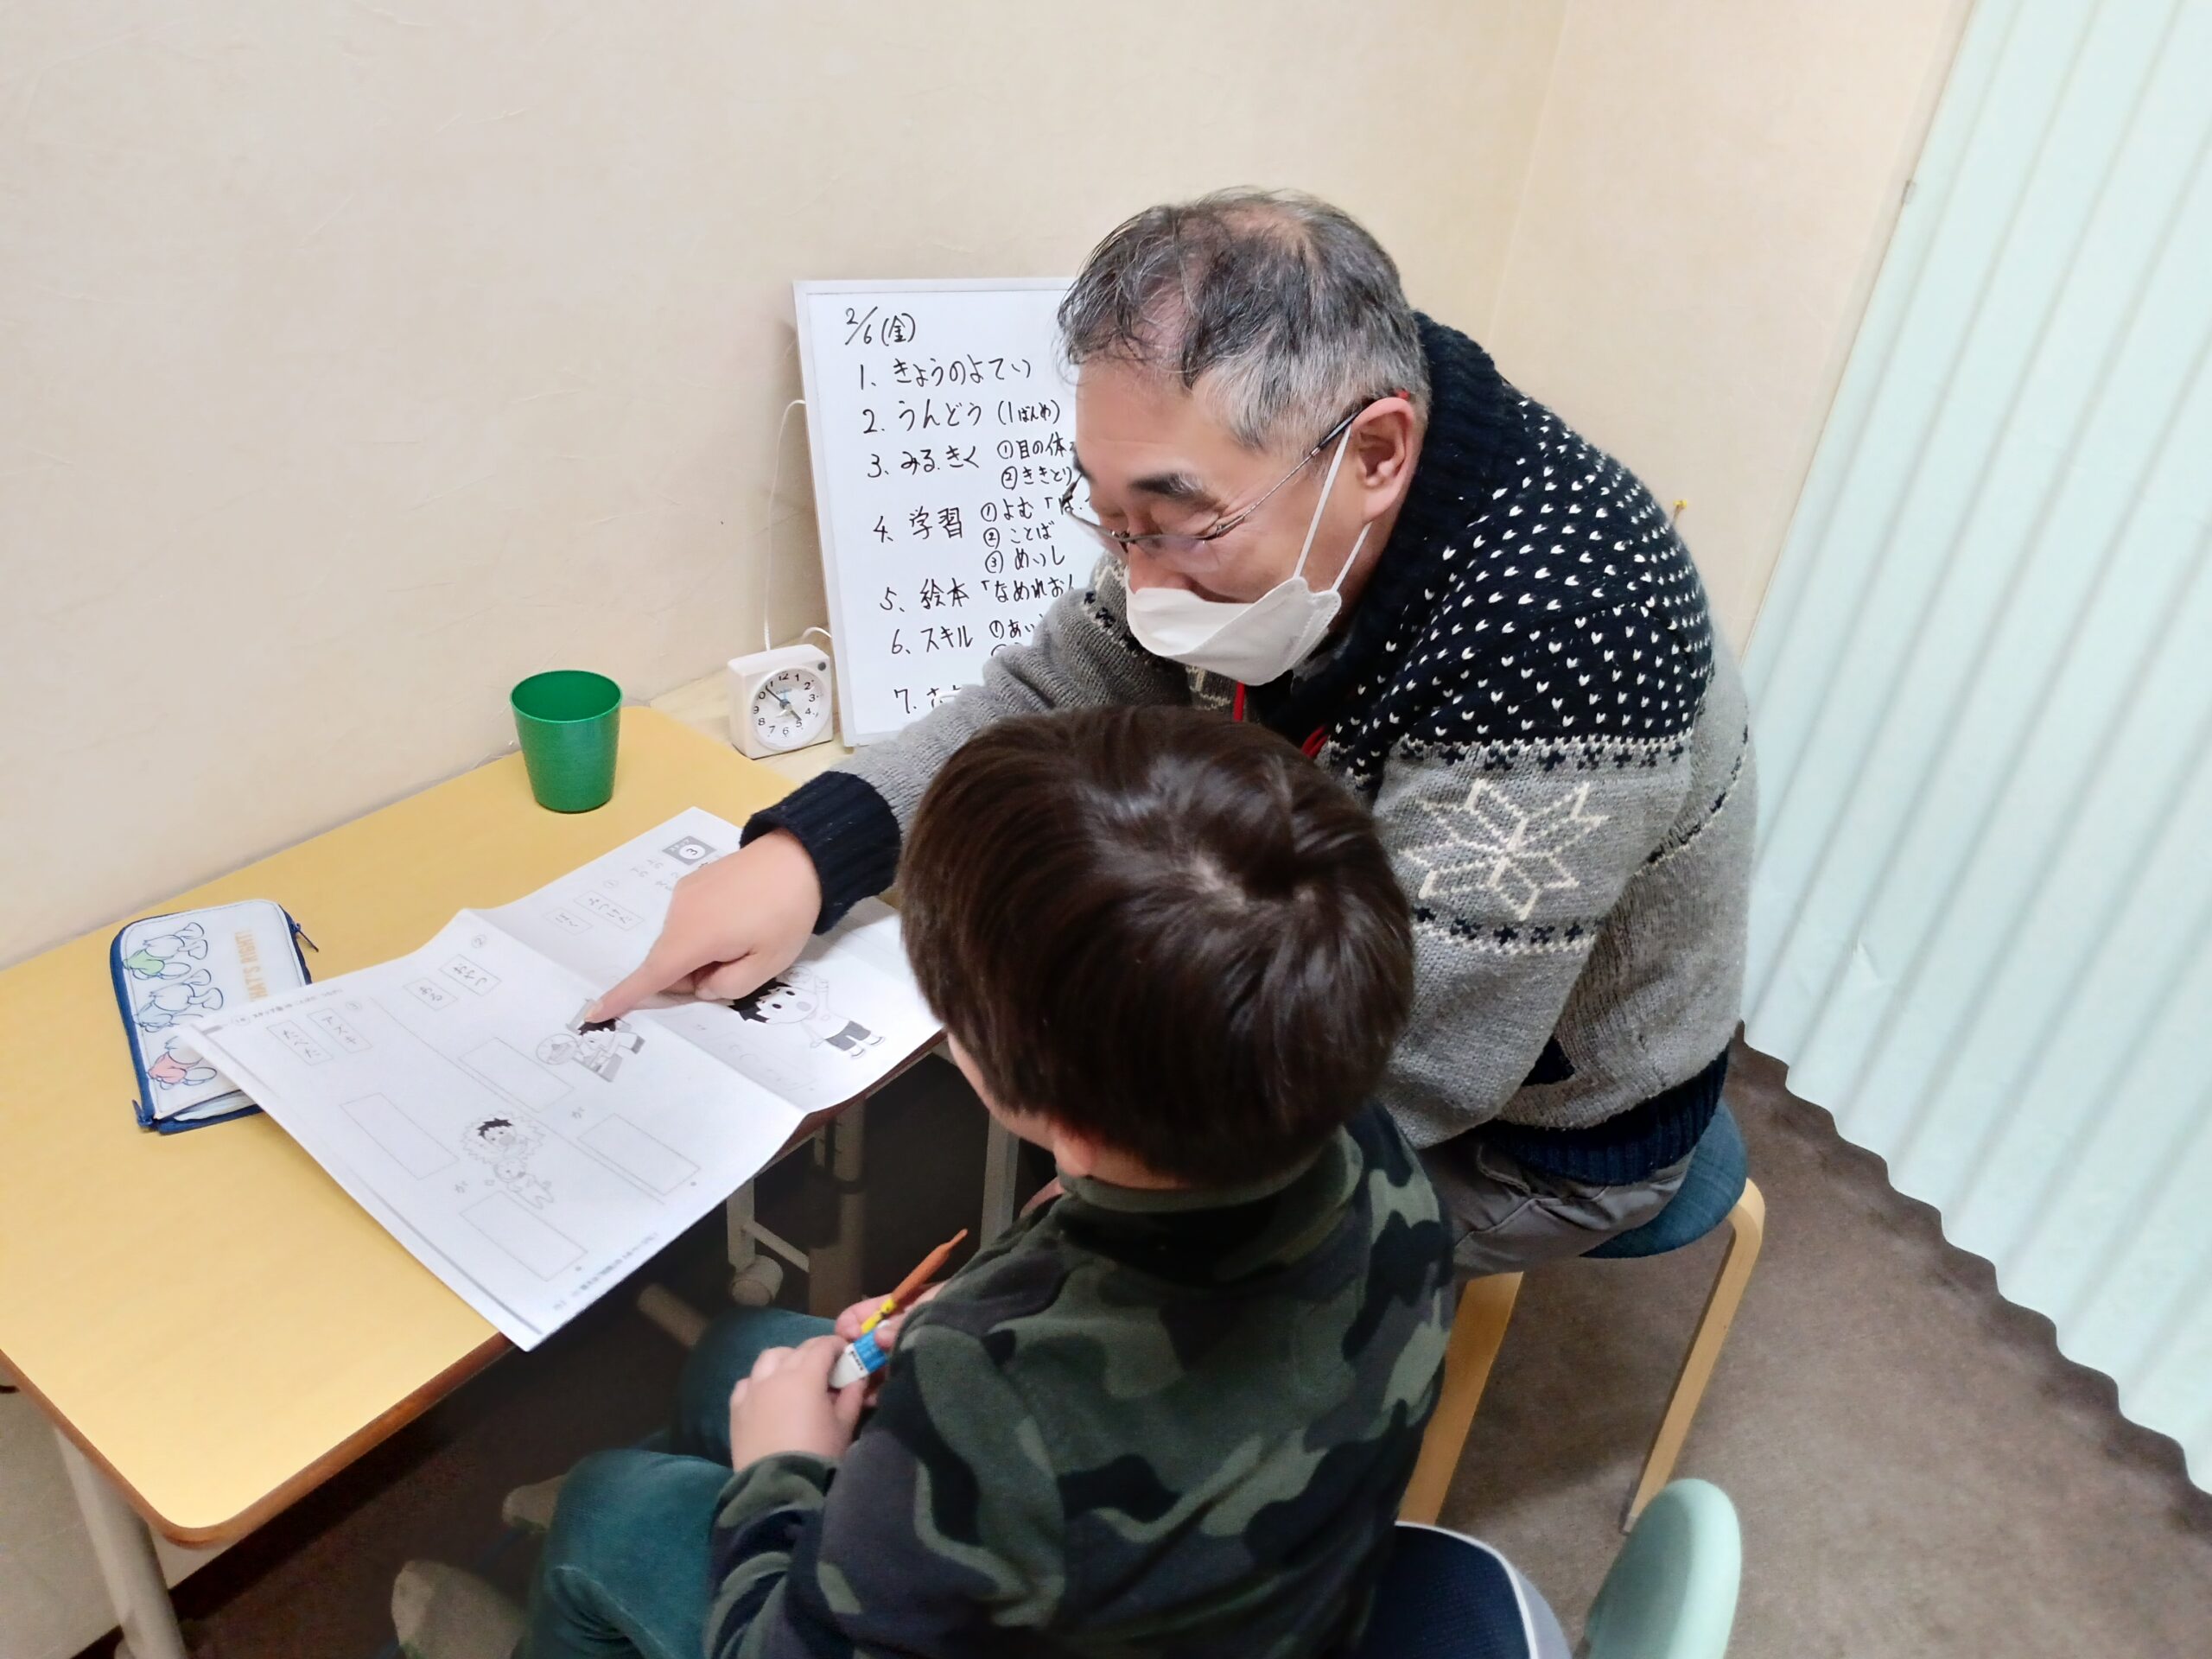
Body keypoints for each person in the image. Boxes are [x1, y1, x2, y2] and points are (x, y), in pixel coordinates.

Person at [591, 188, 1757, 1275]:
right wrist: (810, 853)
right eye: (1112, 521)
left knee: (1129, 1298)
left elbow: (1425, 1060)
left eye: (1176, 524)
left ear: (1377, 454)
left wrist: (1124, 1192)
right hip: (1331, 992)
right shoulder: (1273, 483)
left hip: (1528, 1129)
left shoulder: (1566, 628)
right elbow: (1051, 693)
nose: (1141, 580)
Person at [395, 706, 1452, 1659]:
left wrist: (780, 1480)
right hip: (1216, 1573)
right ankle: (671, 1509)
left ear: (1061, 1117)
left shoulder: (986, 1404)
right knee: (738, 1355)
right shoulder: (1371, 1151)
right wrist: (973, 1310)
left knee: (608, 1512)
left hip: (988, 1570)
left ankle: (577, 1593)